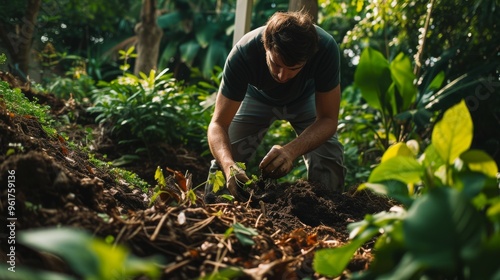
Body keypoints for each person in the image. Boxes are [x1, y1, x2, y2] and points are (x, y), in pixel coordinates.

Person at [205, 11, 345, 202]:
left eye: (293, 69)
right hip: (257, 98)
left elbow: (328, 119)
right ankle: (214, 210)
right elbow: (218, 124)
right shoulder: (243, 53)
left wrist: (291, 151)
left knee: (328, 157)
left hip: (305, 98)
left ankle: (328, 212)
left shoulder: (326, 48)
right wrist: (229, 165)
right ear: (265, 45)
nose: (282, 76)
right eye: (275, 64)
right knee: (226, 158)